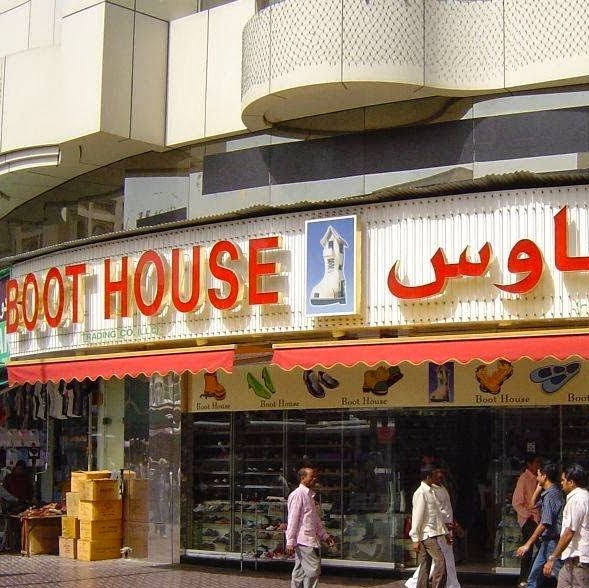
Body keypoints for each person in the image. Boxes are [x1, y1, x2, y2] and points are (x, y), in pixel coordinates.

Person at [406, 466, 461, 588]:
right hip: (427, 534)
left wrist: (446, 533)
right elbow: (417, 517)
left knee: (425, 564)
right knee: (440, 561)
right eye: (434, 475)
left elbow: (437, 516)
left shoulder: (431, 492)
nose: (436, 478)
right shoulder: (421, 493)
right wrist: (415, 539)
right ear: (428, 477)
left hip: (433, 533)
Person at [515, 460, 563, 588]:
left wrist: (527, 544)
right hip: (547, 541)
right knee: (533, 577)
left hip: (552, 541)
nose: (536, 478)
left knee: (560, 576)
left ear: (544, 476)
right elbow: (532, 505)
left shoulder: (550, 495)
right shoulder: (550, 492)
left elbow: (545, 523)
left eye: (538, 475)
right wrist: (538, 488)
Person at [285, 466, 335, 588]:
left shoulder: (309, 496)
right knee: (313, 571)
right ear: (303, 478)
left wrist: (325, 536)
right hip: (304, 540)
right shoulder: (298, 495)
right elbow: (293, 519)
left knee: (300, 571)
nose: (314, 479)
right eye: (311, 477)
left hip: (307, 539)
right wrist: (290, 541)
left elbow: (314, 520)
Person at [543, 464, 589, 588]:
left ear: (571, 482)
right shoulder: (579, 498)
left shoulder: (578, 500)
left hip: (579, 561)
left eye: (563, 480)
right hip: (570, 560)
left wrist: (552, 558)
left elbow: (569, 532)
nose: (561, 483)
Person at [513, 455, 542, 587]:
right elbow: (516, 502)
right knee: (531, 548)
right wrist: (528, 515)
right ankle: (524, 578)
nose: (538, 465)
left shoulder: (538, 478)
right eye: (536, 462)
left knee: (534, 548)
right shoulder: (524, 479)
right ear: (529, 464)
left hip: (537, 518)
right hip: (529, 519)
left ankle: (529, 578)